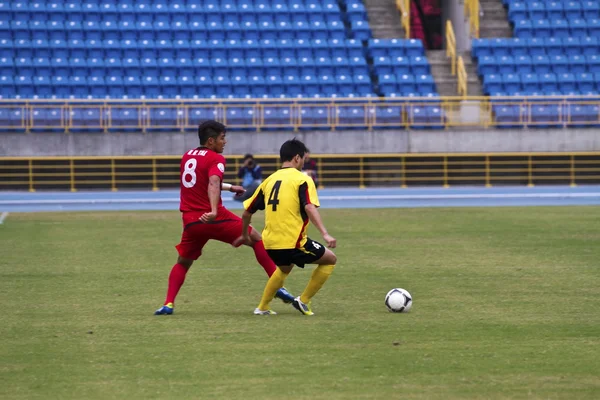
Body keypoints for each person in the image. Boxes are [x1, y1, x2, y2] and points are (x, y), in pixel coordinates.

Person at [154, 120, 295, 315]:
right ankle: (277, 285)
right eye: (222, 138)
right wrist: (213, 211)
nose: (225, 142)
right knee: (256, 239)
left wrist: (229, 187)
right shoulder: (216, 158)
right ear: (211, 141)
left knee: (183, 262)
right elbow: (212, 181)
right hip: (214, 218)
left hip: (192, 222)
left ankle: (168, 304)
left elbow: (202, 182)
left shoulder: (187, 156)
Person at [239, 138, 337, 316]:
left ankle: (262, 308)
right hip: (293, 242)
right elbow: (309, 206)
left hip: (269, 243)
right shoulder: (302, 180)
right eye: (304, 159)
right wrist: (325, 234)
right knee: (330, 259)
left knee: (284, 268)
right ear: (297, 158)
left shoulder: (268, 180)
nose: (304, 163)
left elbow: (246, 213)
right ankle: (303, 301)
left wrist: (245, 235)